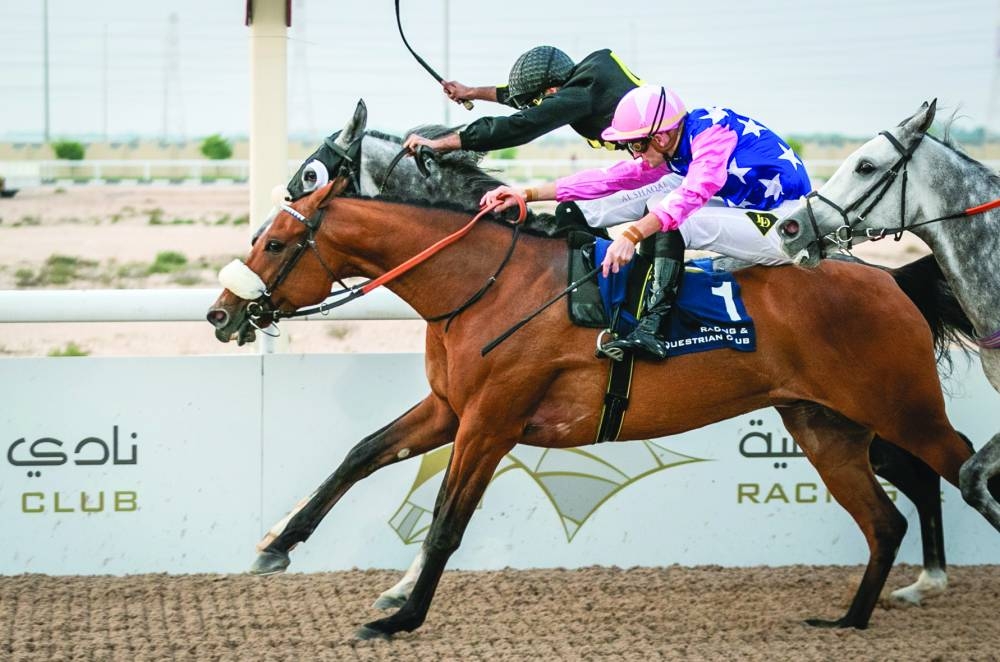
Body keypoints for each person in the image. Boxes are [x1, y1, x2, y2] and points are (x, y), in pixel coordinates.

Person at [481, 84, 811, 360]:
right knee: (657, 200)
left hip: (788, 226)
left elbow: (695, 193)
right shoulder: (677, 141)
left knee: (674, 217)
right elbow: (610, 178)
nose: (634, 154)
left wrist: (632, 234)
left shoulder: (710, 134)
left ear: (662, 137)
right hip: (752, 209)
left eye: (636, 144)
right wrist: (526, 192)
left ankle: (652, 327)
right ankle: (633, 303)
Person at [403, 46, 643, 156]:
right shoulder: (588, 75)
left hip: (666, 162)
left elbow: (521, 125)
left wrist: (438, 144)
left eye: (539, 100)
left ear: (551, 90)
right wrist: (470, 92)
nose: (536, 106)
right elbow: (516, 97)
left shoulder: (577, 97)